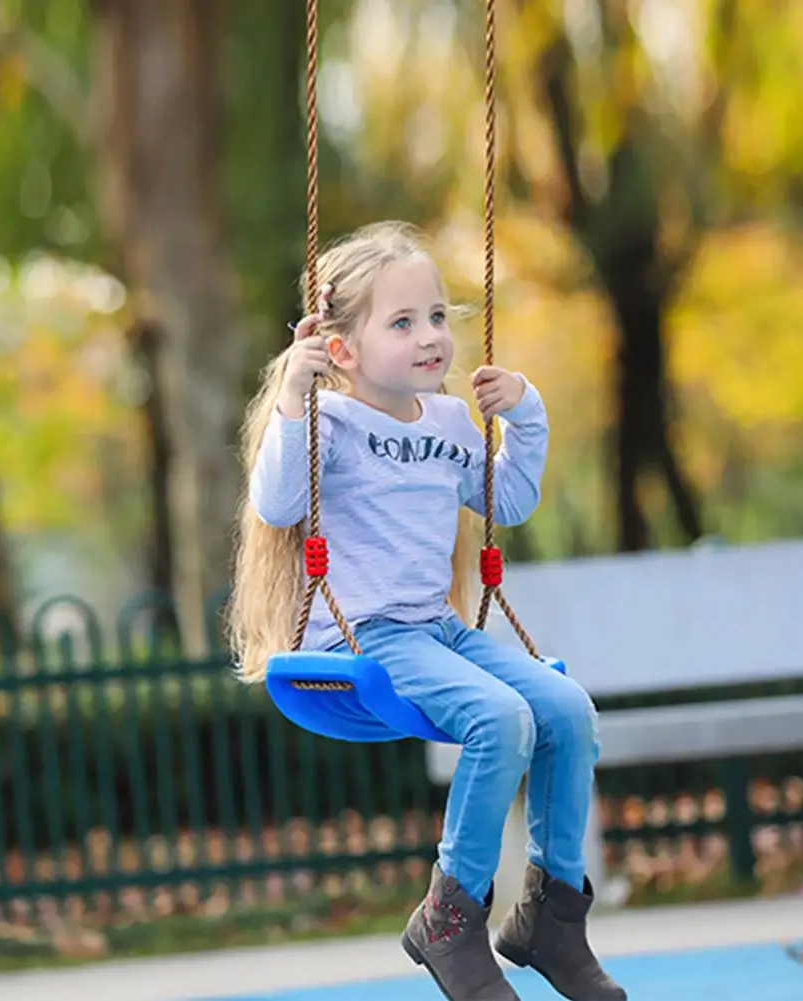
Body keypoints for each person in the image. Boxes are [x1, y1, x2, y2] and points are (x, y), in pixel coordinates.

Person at [228, 221, 626, 1001]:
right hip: (365, 635)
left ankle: (549, 915)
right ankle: (449, 915)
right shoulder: (327, 424)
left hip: (439, 629)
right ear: (340, 348)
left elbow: (505, 497)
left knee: (567, 709)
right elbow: (277, 502)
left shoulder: (449, 423)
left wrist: (527, 415)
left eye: (438, 317)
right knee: (500, 719)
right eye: (402, 322)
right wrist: (291, 399)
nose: (429, 337)